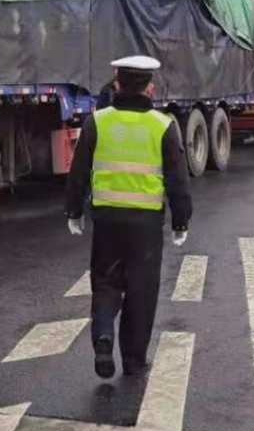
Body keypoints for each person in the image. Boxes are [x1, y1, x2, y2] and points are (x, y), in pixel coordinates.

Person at [65, 55, 192, 378]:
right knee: (141, 289)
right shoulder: (164, 126)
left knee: (105, 282)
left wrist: (74, 211)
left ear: (116, 84)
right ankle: (134, 360)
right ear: (150, 88)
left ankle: (104, 336)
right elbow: (178, 179)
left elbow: (78, 172)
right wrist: (181, 220)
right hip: (145, 224)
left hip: (106, 219)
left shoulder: (97, 121)